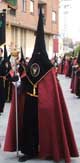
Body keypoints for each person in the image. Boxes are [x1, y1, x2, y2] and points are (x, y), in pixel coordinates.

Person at [4, 8, 79, 163]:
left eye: (39, 49)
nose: (37, 53)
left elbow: (52, 89)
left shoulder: (48, 67)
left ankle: (50, 148)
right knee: (28, 126)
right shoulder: (32, 64)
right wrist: (17, 81)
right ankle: (29, 151)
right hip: (30, 101)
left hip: (44, 104)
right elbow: (23, 81)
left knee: (46, 127)